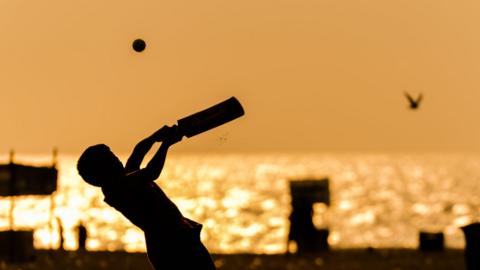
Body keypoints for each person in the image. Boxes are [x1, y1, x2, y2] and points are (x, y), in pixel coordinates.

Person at [77, 125, 216, 270]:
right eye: (111, 159)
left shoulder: (125, 177)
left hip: (180, 236)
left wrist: (156, 136)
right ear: (103, 170)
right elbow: (152, 171)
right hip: (168, 244)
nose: (117, 159)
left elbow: (138, 151)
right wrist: (166, 144)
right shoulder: (116, 188)